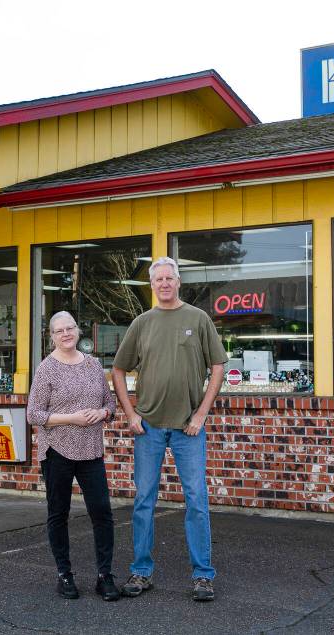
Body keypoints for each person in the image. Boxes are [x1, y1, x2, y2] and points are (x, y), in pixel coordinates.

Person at [111, 256, 227, 602]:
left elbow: (218, 366)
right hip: (148, 427)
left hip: (188, 428)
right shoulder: (142, 323)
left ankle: (203, 576)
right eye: (158, 279)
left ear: (178, 282)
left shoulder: (198, 318)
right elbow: (118, 370)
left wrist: (201, 415)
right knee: (144, 501)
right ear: (151, 285)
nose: (164, 283)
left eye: (169, 278)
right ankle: (141, 572)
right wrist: (131, 415)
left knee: (196, 501)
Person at [26, 311, 120, 601]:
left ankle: (104, 576)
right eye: (59, 331)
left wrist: (103, 412)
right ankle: (64, 575)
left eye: (70, 328)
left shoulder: (93, 365)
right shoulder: (46, 369)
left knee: (102, 512)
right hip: (57, 452)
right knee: (59, 514)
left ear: (78, 331)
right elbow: (34, 414)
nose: (66, 334)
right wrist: (71, 418)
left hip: (91, 451)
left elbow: (111, 404)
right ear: (51, 336)